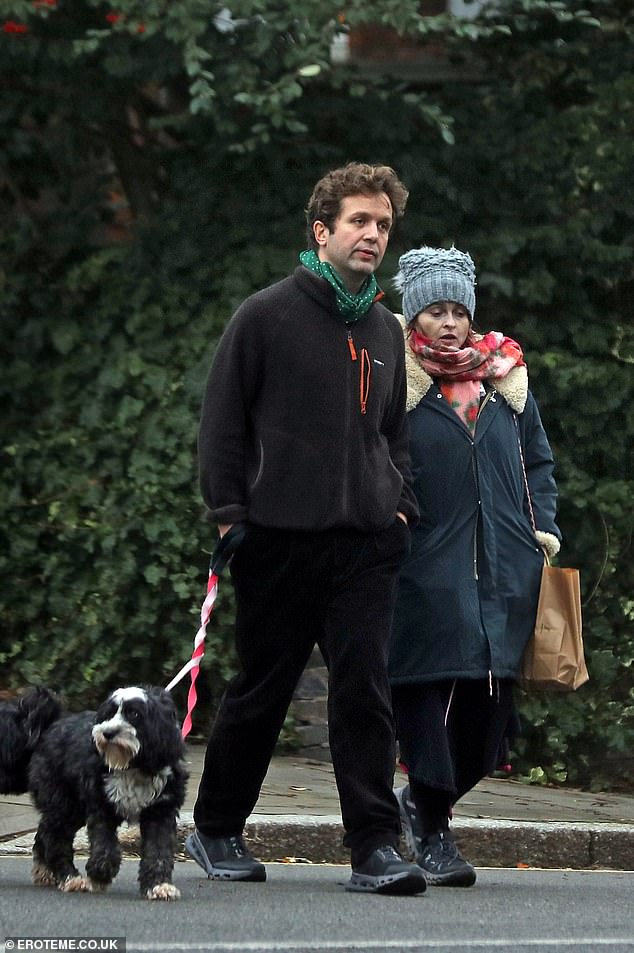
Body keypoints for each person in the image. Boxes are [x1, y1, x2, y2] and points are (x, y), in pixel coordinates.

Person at [186, 162, 427, 896]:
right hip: (277, 539)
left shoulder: (387, 328)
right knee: (263, 688)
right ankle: (217, 827)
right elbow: (222, 425)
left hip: (364, 545)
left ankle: (375, 848)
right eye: (359, 220)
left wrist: (400, 506)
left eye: (382, 224)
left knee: (366, 694)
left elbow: (394, 435)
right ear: (322, 230)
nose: (372, 235)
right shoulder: (264, 316)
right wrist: (232, 517)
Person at [389, 245, 561, 887]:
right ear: (414, 319)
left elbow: (538, 462)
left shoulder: (505, 383)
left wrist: (542, 527)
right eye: (435, 310)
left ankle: (425, 807)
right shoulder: (397, 387)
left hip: (508, 569)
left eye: (459, 309)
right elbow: (378, 464)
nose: (450, 322)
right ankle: (432, 830)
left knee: (493, 721)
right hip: (423, 570)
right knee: (425, 695)